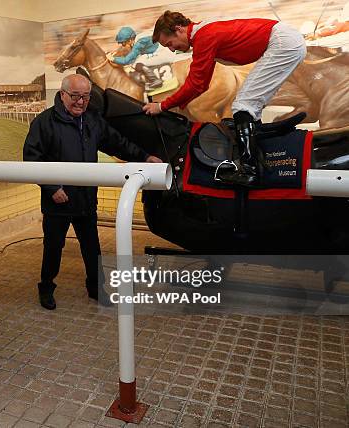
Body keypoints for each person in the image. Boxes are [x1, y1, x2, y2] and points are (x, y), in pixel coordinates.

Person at [23, 74, 162, 310]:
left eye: (85, 97)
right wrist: (52, 188)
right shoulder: (43, 122)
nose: (80, 102)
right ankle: (46, 287)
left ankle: (96, 288)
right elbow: (31, 158)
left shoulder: (93, 120)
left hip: (86, 198)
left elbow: (118, 142)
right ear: (62, 94)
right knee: (54, 247)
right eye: (75, 96)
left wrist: (145, 157)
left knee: (92, 247)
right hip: (58, 201)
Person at [143, 11, 306, 187]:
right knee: (249, 107)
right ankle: (256, 158)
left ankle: (250, 171)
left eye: (170, 44)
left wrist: (162, 106)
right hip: (285, 40)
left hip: (282, 42)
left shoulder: (204, 37)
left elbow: (195, 83)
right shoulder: (204, 34)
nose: (172, 49)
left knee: (243, 105)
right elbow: (201, 84)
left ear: (179, 29)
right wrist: (175, 104)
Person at [112, 26, 163, 92]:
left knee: (137, 63)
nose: (123, 46)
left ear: (130, 40)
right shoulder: (136, 41)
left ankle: (155, 80)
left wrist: (113, 59)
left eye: (124, 43)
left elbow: (126, 60)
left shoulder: (139, 43)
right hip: (155, 51)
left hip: (160, 52)